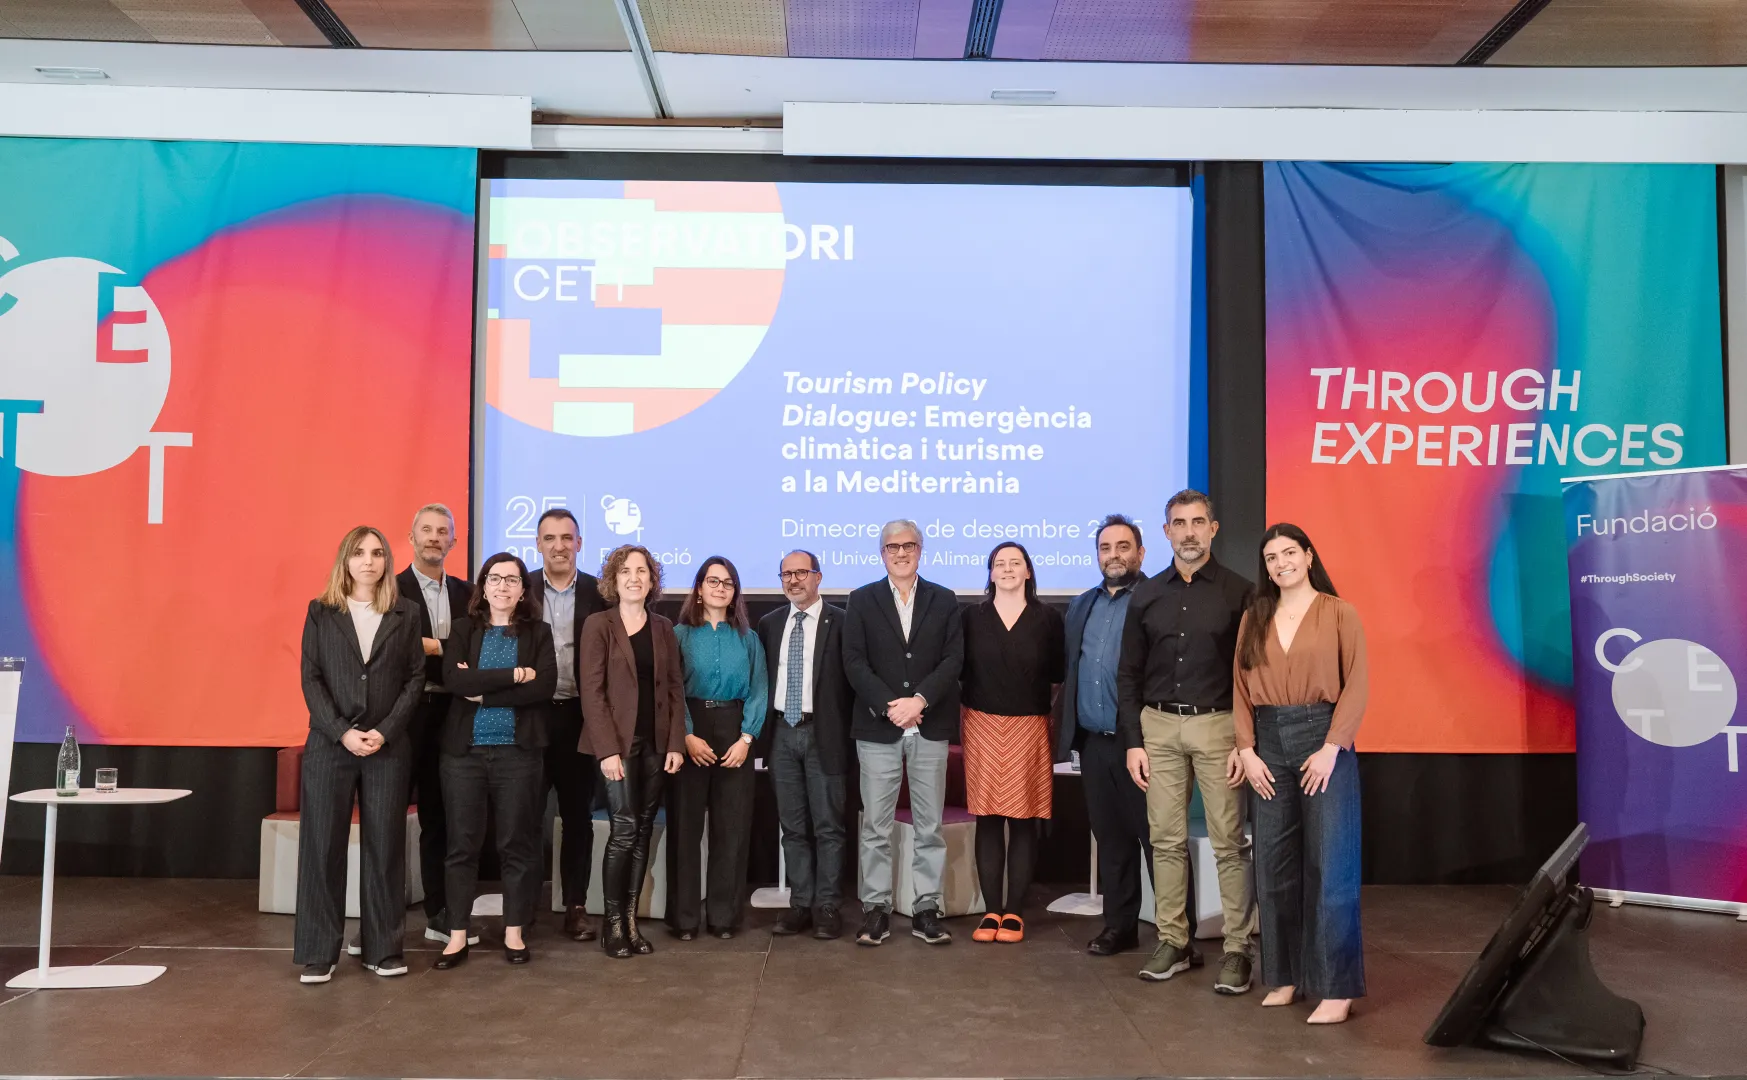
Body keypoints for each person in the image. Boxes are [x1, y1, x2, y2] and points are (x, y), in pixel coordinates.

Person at [1118, 489, 1258, 992]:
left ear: (1213, 529)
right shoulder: (1146, 594)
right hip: (1157, 726)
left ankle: (1239, 948)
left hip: (1219, 726)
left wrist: (1246, 742)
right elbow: (1128, 673)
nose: (1190, 531)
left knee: (1228, 843)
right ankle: (1174, 941)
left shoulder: (1241, 593)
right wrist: (1134, 741)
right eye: (1180, 523)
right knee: (1165, 841)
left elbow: (1250, 675)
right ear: (1166, 532)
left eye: (1199, 522)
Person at [1229, 523, 1368, 1025]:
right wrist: (1246, 750)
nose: (1281, 562)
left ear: (1309, 556)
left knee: (1331, 867)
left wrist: (1333, 746)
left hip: (1323, 741)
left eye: (1290, 552)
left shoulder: (1339, 613)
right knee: (1273, 866)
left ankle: (1336, 987)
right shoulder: (1253, 618)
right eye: (1271, 557)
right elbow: (1240, 690)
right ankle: (1285, 976)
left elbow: (1357, 683)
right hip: (1268, 745)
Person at [293, 525, 424, 984]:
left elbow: (414, 679)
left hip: (388, 747)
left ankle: (381, 948)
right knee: (322, 846)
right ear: (344, 561)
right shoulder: (321, 611)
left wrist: (385, 732)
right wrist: (343, 733)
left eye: (377, 553)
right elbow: (312, 679)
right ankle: (317, 951)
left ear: (387, 561)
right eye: (359, 553)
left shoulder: (406, 612)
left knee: (385, 847)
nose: (368, 561)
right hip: (331, 746)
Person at [842, 519, 964, 947]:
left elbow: (953, 659)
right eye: (892, 547)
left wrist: (921, 701)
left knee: (929, 826)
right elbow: (854, 661)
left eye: (908, 545)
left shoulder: (944, 600)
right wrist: (892, 705)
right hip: (879, 727)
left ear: (921, 549)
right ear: (882, 553)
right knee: (876, 826)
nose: (901, 552)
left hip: (929, 726)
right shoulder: (861, 600)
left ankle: (926, 908)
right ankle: (875, 910)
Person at [434, 553, 557, 969]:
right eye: (495, 578)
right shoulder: (465, 629)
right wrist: (513, 675)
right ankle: (456, 936)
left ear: (524, 590)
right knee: (461, 846)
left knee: (517, 845)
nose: (503, 586)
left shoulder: (538, 633)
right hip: (464, 755)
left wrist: (484, 690)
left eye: (512, 580)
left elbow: (544, 688)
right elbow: (455, 680)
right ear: (482, 587)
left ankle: (514, 932)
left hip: (517, 755)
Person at [578, 544, 686, 959]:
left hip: (656, 745)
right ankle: (612, 924)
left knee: (641, 831)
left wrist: (675, 742)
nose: (635, 577)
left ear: (652, 579)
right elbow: (592, 691)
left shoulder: (662, 626)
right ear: (614, 578)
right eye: (626, 571)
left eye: (642, 570)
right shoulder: (599, 624)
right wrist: (606, 750)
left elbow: (674, 688)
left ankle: (630, 922)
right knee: (623, 830)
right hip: (616, 746)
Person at [1056, 515, 1154, 957]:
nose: (1114, 555)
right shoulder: (1081, 605)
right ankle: (1121, 927)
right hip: (1095, 742)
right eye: (1105, 548)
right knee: (1111, 840)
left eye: (1123, 546)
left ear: (1140, 552)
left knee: (1157, 841)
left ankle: (1177, 933)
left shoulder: (1156, 599)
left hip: (1145, 744)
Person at [960, 542, 1064, 945]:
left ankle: (1015, 912)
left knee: (1023, 821)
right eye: (999, 564)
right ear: (989, 573)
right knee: (987, 819)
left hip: (1030, 724)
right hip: (981, 723)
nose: (1006, 569)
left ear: (1028, 572)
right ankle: (991, 911)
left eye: (1014, 563)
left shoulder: (1049, 619)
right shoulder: (971, 617)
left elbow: (1057, 674)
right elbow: (960, 672)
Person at [668, 557, 768, 940]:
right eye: (713, 581)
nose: (720, 587)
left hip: (734, 729)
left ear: (735, 593)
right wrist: (687, 736)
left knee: (733, 828)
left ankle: (724, 918)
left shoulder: (748, 638)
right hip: (690, 729)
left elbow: (760, 689)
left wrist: (746, 739)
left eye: (728, 583)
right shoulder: (677, 635)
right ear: (698, 587)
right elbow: (671, 691)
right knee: (685, 827)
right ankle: (685, 919)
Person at [757, 550, 854, 940]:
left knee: (829, 826)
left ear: (818, 577)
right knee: (792, 827)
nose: (794, 580)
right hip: (781, 732)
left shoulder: (843, 622)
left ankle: (827, 906)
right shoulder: (769, 624)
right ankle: (800, 904)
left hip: (824, 733)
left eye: (802, 573)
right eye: (786, 575)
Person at [393, 503, 474, 947]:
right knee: (390, 815)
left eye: (443, 531)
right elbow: (402, 646)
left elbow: (475, 648)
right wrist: (450, 648)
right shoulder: (393, 588)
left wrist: (433, 646)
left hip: (455, 714)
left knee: (441, 818)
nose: (434, 537)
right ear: (411, 536)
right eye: (426, 529)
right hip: (408, 714)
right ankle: (380, 917)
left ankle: (440, 913)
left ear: (453, 542)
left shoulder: (468, 593)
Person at [534, 508, 607, 942]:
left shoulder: (601, 593)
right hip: (532, 718)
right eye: (550, 538)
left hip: (581, 719)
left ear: (580, 543)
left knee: (577, 816)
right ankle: (522, 907)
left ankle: (575, 907)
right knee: (524, 817)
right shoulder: (518, 588)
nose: (559, 545)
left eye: (567, 537)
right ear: (538, 543)